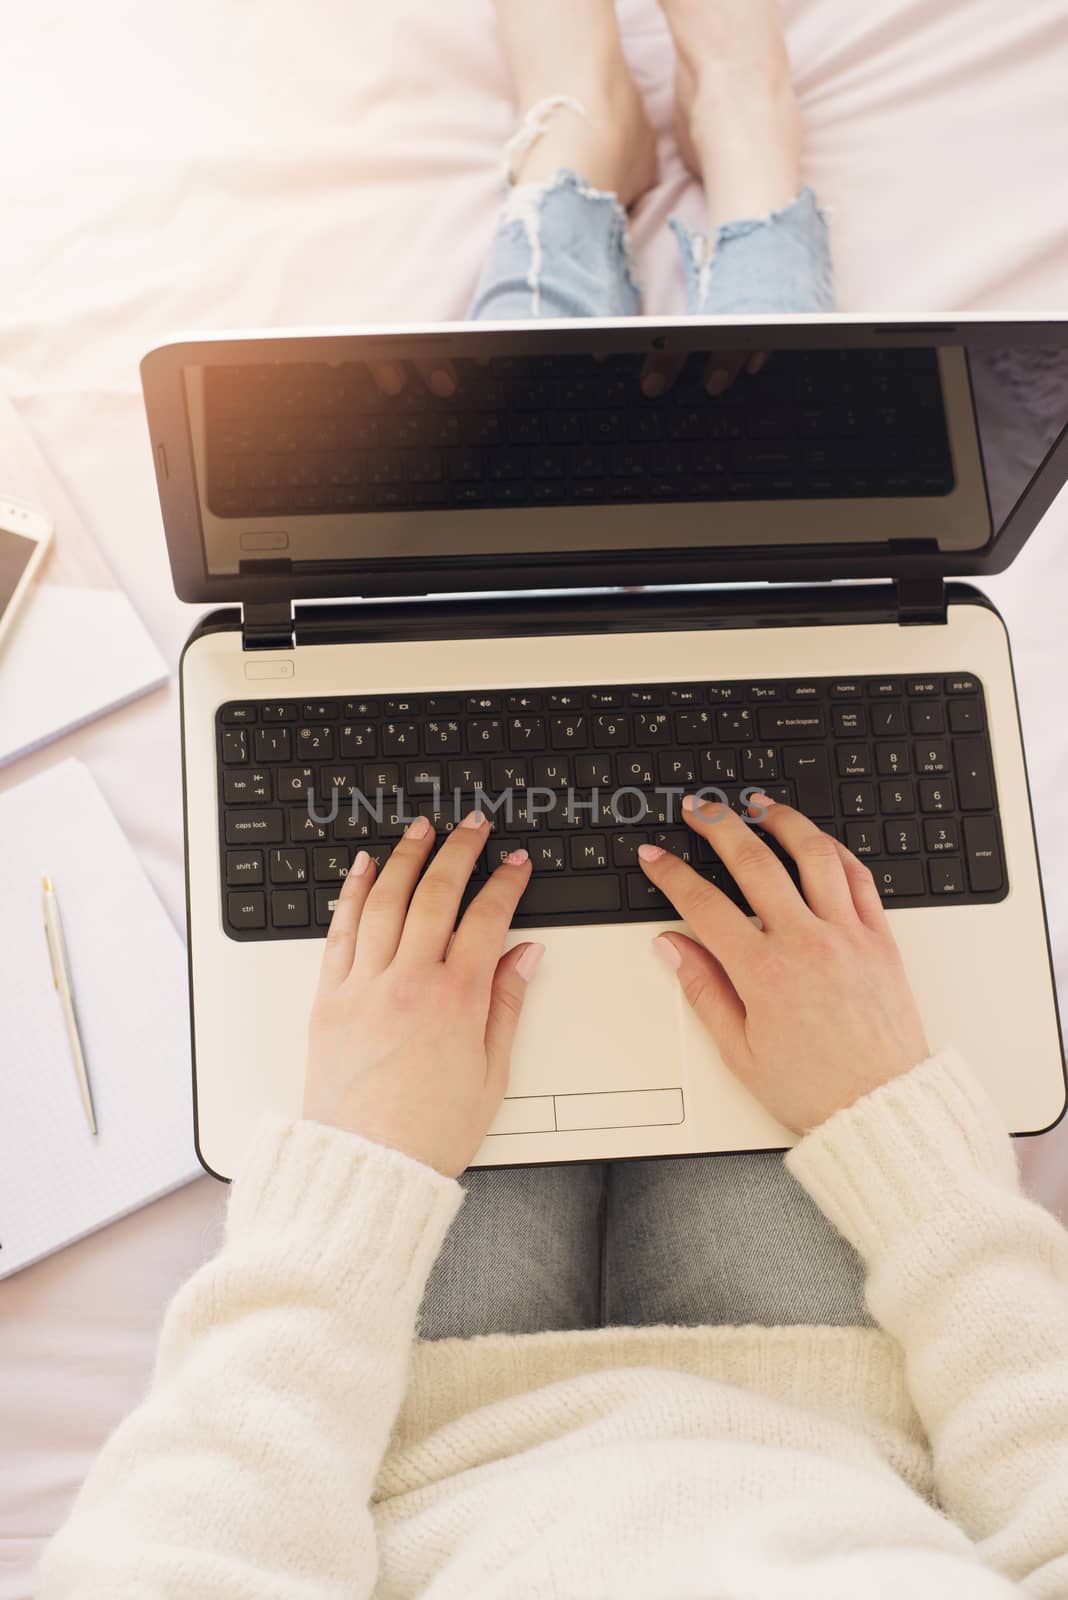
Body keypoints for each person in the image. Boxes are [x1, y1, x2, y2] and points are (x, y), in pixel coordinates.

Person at [40, 2, 1068, 1596]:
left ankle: (569, 175)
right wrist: (903, 1138)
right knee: (767, 606)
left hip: (396, 1424)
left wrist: (357, 1177)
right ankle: (745, 159)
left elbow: (172, 1546)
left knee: (491, 600)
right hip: (832, 1427)